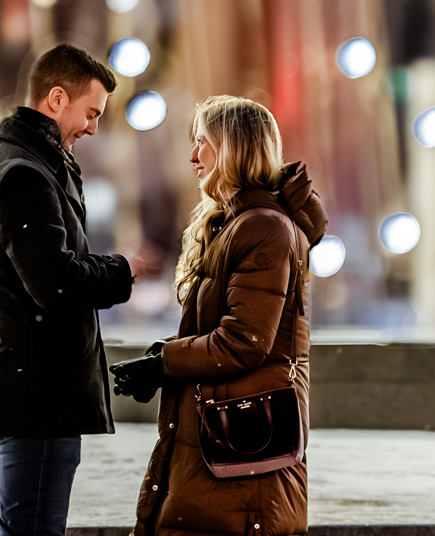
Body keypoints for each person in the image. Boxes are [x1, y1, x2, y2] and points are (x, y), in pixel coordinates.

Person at [0, 43, 155, 536]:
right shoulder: (24, 173)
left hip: (12, 389)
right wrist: (122, 270)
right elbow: (56, 284)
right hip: (36, 395)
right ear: (57, 99)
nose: (93, 127)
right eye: (91, 113)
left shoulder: (12, 158)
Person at [111, 95, 328, 536]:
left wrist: (164, 363)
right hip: (225, 439)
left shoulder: (263, 228)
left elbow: (245, 341)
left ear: (233, 149)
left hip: (243, 447)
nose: (193, 156)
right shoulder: (235, 223)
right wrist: (162, 359)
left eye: (202, 143)